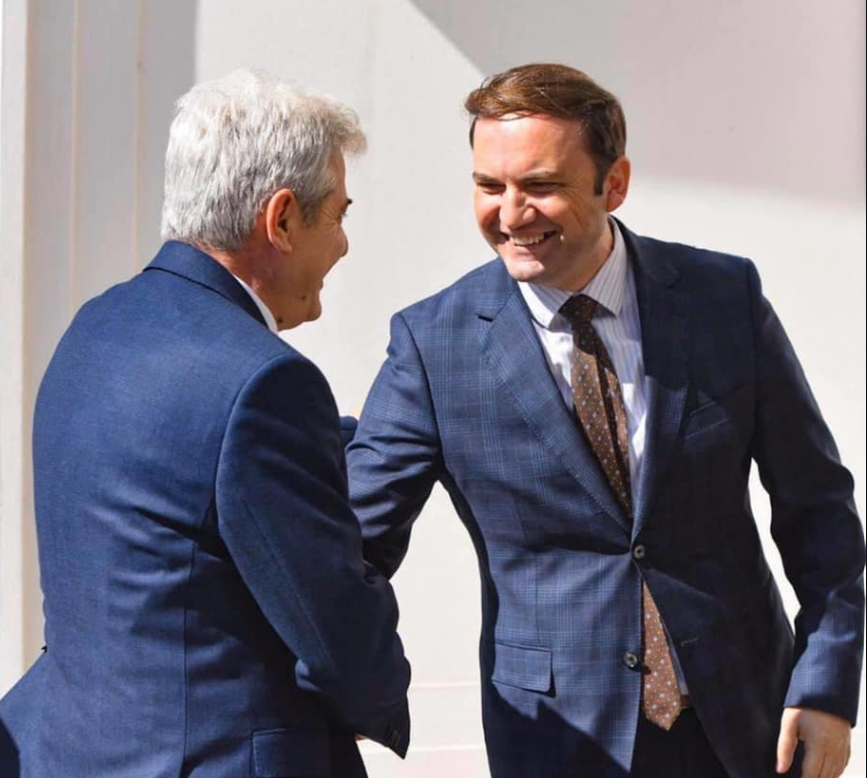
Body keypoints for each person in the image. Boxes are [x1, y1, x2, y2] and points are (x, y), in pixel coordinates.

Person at [346, 63, 864, 778]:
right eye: (489, 186)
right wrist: (343, 695)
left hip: (747, 723)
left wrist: (826, 684)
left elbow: (818, 509)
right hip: (558, 740)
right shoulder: (433, 344)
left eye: (540, 186)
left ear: (613, 183)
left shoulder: (723, 298)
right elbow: (354, 546)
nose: (510, 214)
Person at [0, 69, 410, 778]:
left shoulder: (96, 326)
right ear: (282, 220)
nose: (343, 245)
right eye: (338, 215)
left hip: (71, 750)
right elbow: (337, 635)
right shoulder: (267, 381)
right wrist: (379, 691)